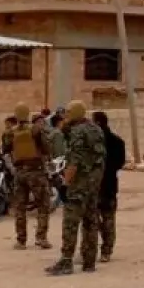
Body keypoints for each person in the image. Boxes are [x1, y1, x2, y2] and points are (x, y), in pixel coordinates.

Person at [45, 101, 105, 276]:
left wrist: (66, 182)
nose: (66, 115)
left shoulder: (77, 131)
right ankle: (89, 261)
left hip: (79, 184)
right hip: (93, 183)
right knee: (90, 221)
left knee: (70, 222)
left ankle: (66, 261)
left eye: (69, 112)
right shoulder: (96, 129)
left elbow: (74, 161)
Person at [4, 104, 53, 250]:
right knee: (43, 205)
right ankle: (41, 238)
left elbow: (6, 149)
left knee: (20, 208)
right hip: (36, 171)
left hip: (19, 172)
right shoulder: (36, 129)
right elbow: (46, 148)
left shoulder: (10, 132)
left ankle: (21, 241)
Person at [92, 110, 128, 263]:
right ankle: (106, 250)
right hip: (110, 184)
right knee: (108, 219)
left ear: (98, 123)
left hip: (95, 185)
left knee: (92, 219)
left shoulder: (93, 142)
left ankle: (91, 250)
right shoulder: (118, 142)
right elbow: (120, 163)